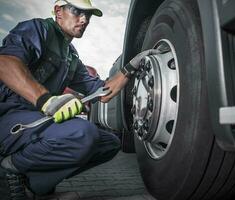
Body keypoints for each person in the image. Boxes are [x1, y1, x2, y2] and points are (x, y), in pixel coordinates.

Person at [0, 0, 159, 199]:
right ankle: (10, 168)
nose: (84, 19)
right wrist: (47, 100)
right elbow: (5, 63)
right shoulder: (38, 29)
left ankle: (35, 188)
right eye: (77, 11)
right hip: (9, 117)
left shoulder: (71, 57)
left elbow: (103, 91)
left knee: (108, 143)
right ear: (58, 11)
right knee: (82, 134)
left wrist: (130, 68)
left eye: (89, 15)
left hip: (36, 120)